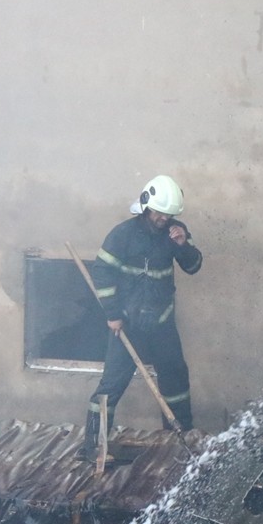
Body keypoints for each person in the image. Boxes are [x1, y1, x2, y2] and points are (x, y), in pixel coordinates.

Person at [84, 174, 203, 455]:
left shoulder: (176, 232)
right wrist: (113, 314)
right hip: (127, 325)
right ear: (147, 205)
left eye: (169, 214)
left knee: (175, 377)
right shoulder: (122, 235)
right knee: (111, 385)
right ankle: (92, 447)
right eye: (160, 214)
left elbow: (194, 266)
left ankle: (181, 441)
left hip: (162, 323)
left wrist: (183, 245)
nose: (165, 219)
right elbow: (101, 272)